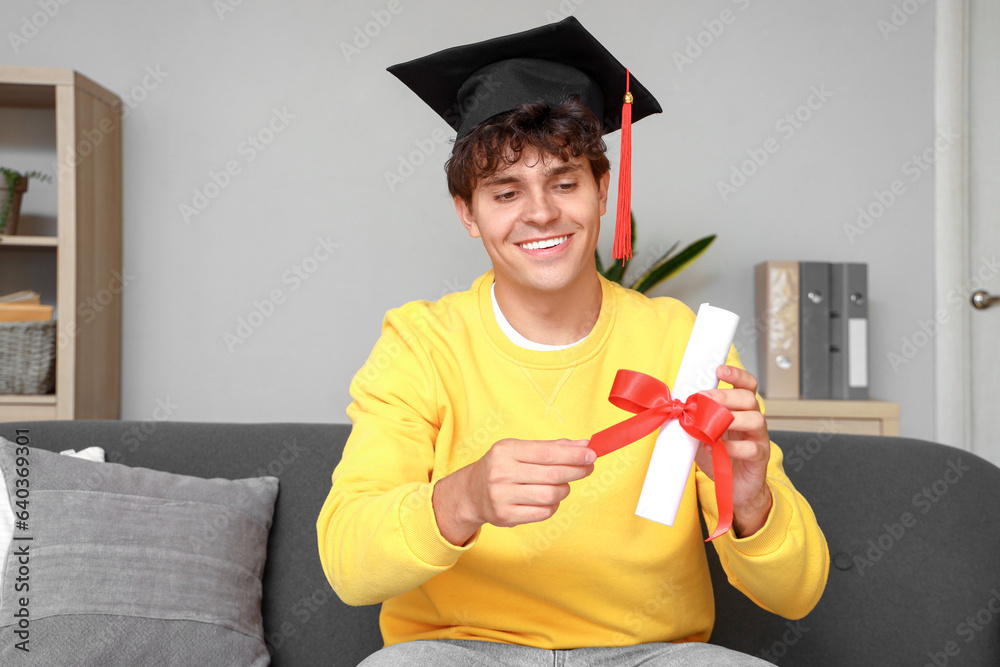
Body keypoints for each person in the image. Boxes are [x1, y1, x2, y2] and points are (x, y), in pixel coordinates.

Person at [317, 16, 829, 667]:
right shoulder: (421, 343)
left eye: (564, 182)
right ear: (467, 213)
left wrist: (751, 493)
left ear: (602, 188)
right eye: (506, 192)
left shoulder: (683, 342)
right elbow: (348, 568)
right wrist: (463, 497)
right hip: (461, 650)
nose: (541, 213)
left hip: (649, 653)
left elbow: (798, 594)